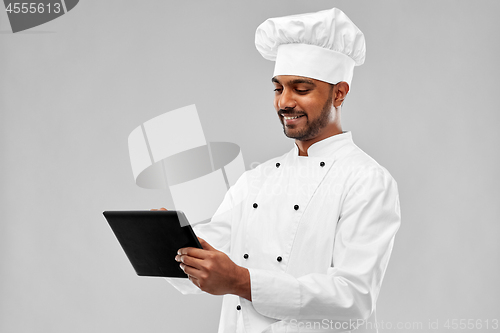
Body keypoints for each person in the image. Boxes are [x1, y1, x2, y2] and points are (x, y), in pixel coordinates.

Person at [160, 7, 401, 333]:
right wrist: (171, 244)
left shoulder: (366, 180)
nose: (284, 102)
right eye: (278, 88)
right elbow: (212, 253)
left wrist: (241, 281)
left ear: (339, 93)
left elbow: (353, 298)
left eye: (301, 89)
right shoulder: (256, 180)